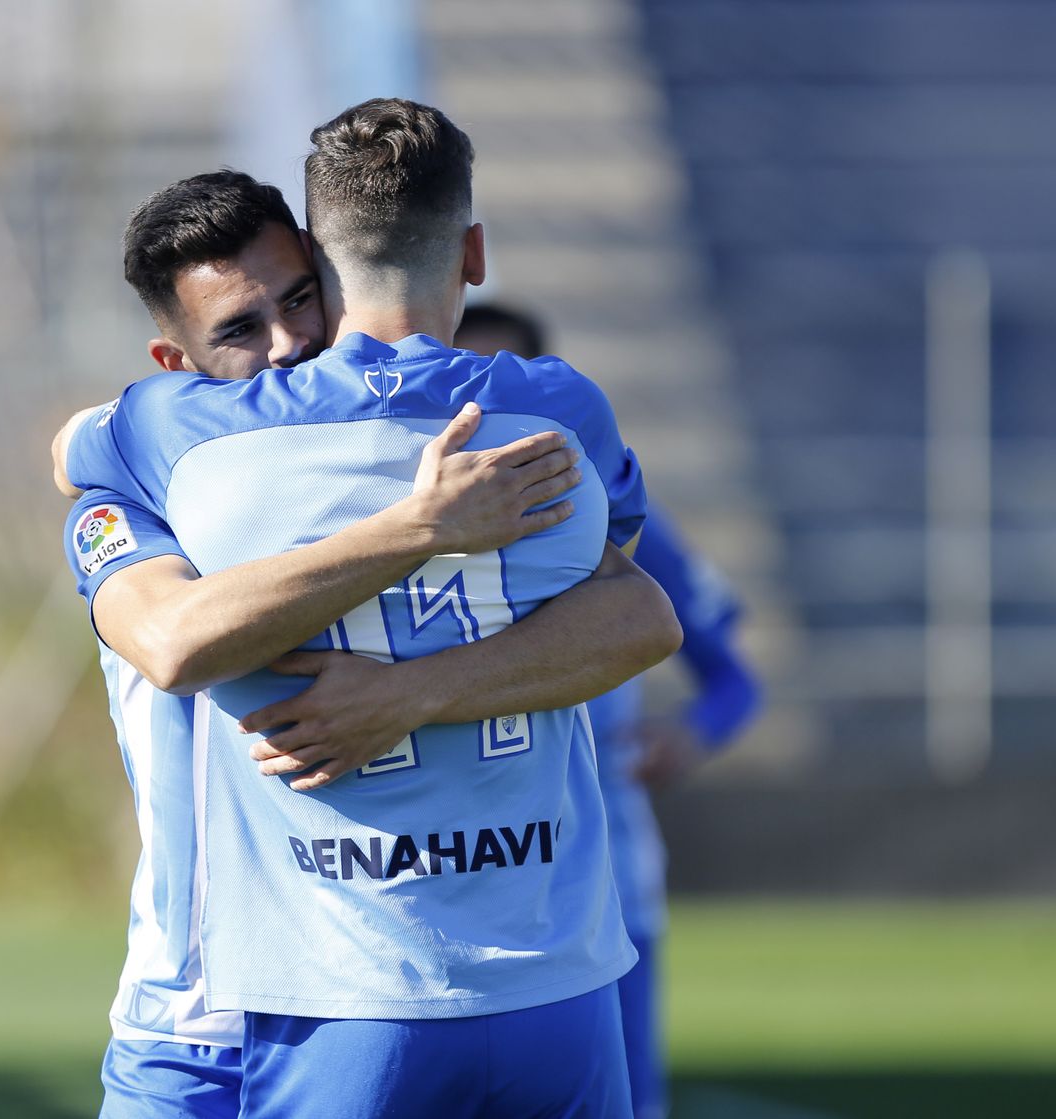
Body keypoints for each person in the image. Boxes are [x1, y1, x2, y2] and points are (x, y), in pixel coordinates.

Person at [66, 99, 681, 1117]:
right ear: (472, 253)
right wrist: (419, 526)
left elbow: (644, 616)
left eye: (297, 301)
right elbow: (171, 640)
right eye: (240, 329)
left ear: (326, 264)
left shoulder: (172, 442)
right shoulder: (556, 418)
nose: (284, 343)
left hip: (327, 992)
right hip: (232, 1002)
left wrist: (407, 693)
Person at [457, 303, 764, 1119]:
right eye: (462, 382)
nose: (480, 410)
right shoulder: (393, 525)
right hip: (454, 891)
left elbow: (734, 680)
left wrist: (691, 734)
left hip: (602, 886)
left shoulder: (615, 519)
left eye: (499, 383)